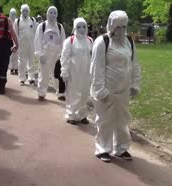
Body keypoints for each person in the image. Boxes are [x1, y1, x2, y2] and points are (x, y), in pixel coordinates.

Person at [90, 10, 141, 163]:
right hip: (107, 90)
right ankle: (102, 149)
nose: (121, 31)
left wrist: (135, 84)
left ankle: (121, 148)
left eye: (124, 27)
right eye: (118, 27)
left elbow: (135, 64)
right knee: (105, 121)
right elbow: (96, 68)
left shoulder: (129, 42)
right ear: (112, 26)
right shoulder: (102, 42)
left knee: (122, 120)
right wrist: (100, 91)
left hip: (123, 91)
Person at [60, 18, 93, 125]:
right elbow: (64, 57)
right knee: (73, 94)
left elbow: (93, 57)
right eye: (79, 27)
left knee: (84, 93)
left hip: (86, 72)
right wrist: (64, 71)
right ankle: (71, 114)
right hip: (73, 72)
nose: (82, 29)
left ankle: (82, 114)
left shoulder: (90, 41)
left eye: (84, 26)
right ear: (75, 27)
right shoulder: (70, 41)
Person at [34, 6, 66, 101]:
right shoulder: (42, 26)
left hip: (56, 55)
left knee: (57, 74)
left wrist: (62, 54)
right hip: (45, 54)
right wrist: (40, 54)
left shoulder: (60, 27)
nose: (52, 15)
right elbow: (37, 40)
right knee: (43, 74)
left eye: (54, 13)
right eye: (51, 12)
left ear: (57, 15)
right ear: (47, 14)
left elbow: (63, 41)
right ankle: (42, 92)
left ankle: (60, 92)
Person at [15, 4, 38, 85]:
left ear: (29, 11)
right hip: (21, 44)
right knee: (22, 61)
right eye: (24, 10)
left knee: (31, 60)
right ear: (21, 11)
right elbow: (15, 33)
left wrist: (36, 44)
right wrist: (15, 44)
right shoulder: (17, 21)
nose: (25, 12)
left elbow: (36, 32)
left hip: (31, 44)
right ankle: (22, 78)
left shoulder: (32, 20)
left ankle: (31, 77)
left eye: (27, 11)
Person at [8, 8, 19, 76]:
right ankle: (11, 68)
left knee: (17, 55)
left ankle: (16, 68)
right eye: (12, 14)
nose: (13, 15)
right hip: (10, 41)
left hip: (17, 40)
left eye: (15, 14)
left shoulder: (18, 21)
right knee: (11, 55)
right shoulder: (8, 21)